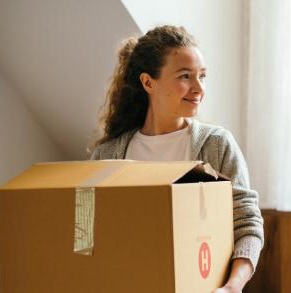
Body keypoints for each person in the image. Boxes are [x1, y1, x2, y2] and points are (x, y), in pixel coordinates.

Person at [90, 25, 264, 292]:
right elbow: (85, 233)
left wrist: (232, 287)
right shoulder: (108, 155)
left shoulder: (216, 145)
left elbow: (247, 225)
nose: (198, 88)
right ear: (148, 83)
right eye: (185, 76)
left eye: (202, 76)